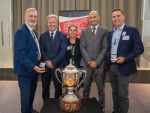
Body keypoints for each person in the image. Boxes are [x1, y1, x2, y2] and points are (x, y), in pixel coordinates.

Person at [107, 8, 144, 113]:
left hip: (124, 67)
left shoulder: (132, 30)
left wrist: (126, 58)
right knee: (114, 92)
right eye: (114, 17)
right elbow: (109, 50)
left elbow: (140, 49)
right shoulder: (110, 33)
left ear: (123, 17)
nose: (116, 18)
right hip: (112, 67)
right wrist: (108, 66)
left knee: (123, 94)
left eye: (118, 16)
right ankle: (116, 110)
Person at [13, 8, 45, 113]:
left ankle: (30, 109)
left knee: (31, 93)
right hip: (25, 71)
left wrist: (38, 65)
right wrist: (33, 67)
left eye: (35, 16)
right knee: (25, 96)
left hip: (34, 70)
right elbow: (20, 55)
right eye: (31, 16)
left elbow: (35, 50)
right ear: (25, 17)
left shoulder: (32, 31)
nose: (33, 18)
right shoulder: (21, 32)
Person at [80, 11, 108, 113]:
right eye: (91, 18)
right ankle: (86, 104)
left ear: (98, 18)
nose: (93, 19)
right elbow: (82, 47)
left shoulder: (104, 30)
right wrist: (89, 61)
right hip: (86, 65)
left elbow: (105, 47)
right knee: (86, 87)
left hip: (99, 65)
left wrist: (96, 62)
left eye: (94, 17)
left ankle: (102, 105)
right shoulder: (84, 31)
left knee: (101, 88)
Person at [39, 14, 67, 102]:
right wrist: (48, 62)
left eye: (54, 22)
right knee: (45, 88)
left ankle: (56, 105)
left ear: (57, 23)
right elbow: (41, 50)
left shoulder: (62, 35)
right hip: (45, 67)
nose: (52, 24)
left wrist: (53, 62)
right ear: (47, 23)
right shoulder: (42, 36)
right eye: (50, 22)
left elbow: (63, 51)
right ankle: (46, 105)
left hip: (57, 67)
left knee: (58, 89)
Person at [65, 25, 82, 93]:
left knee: (76, 86)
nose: (72, 32)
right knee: (67, 86)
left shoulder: (80, 41)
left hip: (77, 67)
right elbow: (63, 55)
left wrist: (76, 66)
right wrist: (68, 66)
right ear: (68, 31)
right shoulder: (65, 42)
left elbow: (82, 55)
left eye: (74, 30)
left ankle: (75, 101)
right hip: (67, 68)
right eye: (71, 30)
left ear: (77, 32)